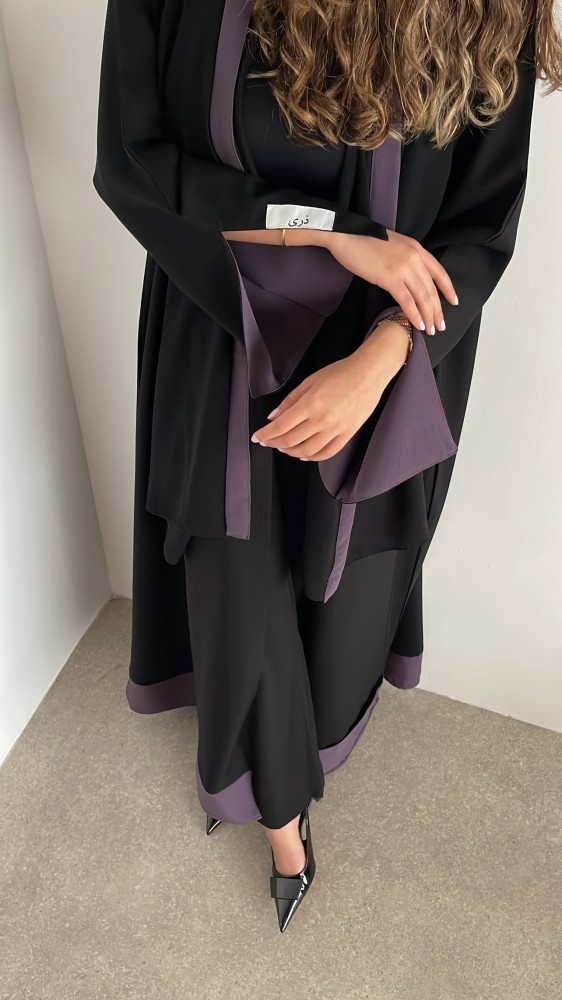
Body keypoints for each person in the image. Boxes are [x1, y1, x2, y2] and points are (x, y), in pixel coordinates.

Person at [93, 0, 561, 932]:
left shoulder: (490, 9)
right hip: (221, 317)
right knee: (235, 579)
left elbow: (484, 219)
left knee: (343, 587)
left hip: (391, 345)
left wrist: (384, 358)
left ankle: (294, 761)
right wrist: (332, 231)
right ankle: (278, 814)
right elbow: (131, 159)